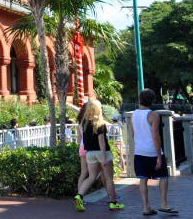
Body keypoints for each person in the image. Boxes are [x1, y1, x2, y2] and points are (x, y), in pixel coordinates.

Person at [132, 88, 177, 216]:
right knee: (163, 176)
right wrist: (159, 156)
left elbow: (133, 134)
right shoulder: (154, 115)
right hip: (151, 151)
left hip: (139, 151)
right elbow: (155, 136)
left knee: (143, 179)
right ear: (151, 101)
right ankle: (163, 204)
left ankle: (146, 207)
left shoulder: (134, 114)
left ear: (140, 99)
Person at [75, 100, 124, 212]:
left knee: (91, 177)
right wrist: (104, 158)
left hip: (90, 153)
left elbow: (83, 140)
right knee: (108, 178)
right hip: (102, 153)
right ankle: (113, 203)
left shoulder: (84, 123)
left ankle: (79, 195)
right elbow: (101, 141)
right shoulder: (100, 123)